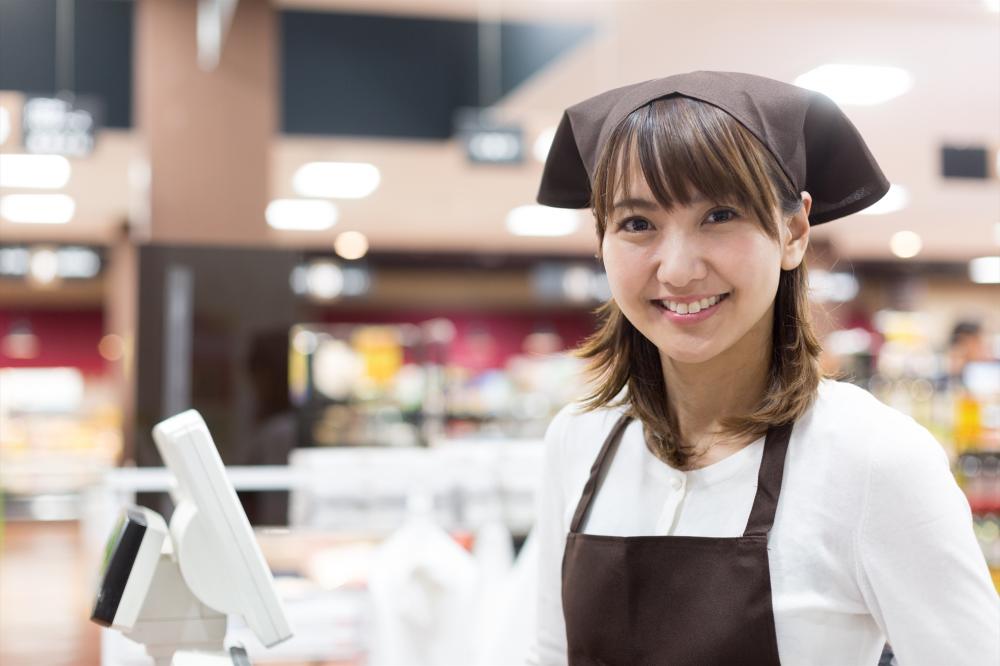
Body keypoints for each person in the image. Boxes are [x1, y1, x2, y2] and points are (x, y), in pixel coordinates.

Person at [528, 71, 999, 665]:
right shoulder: (578, 438)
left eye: (719, 214)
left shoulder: (873, 459)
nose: (676, 269)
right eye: (637, 224)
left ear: (794, 231)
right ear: (601, 241)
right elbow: (548, 652)